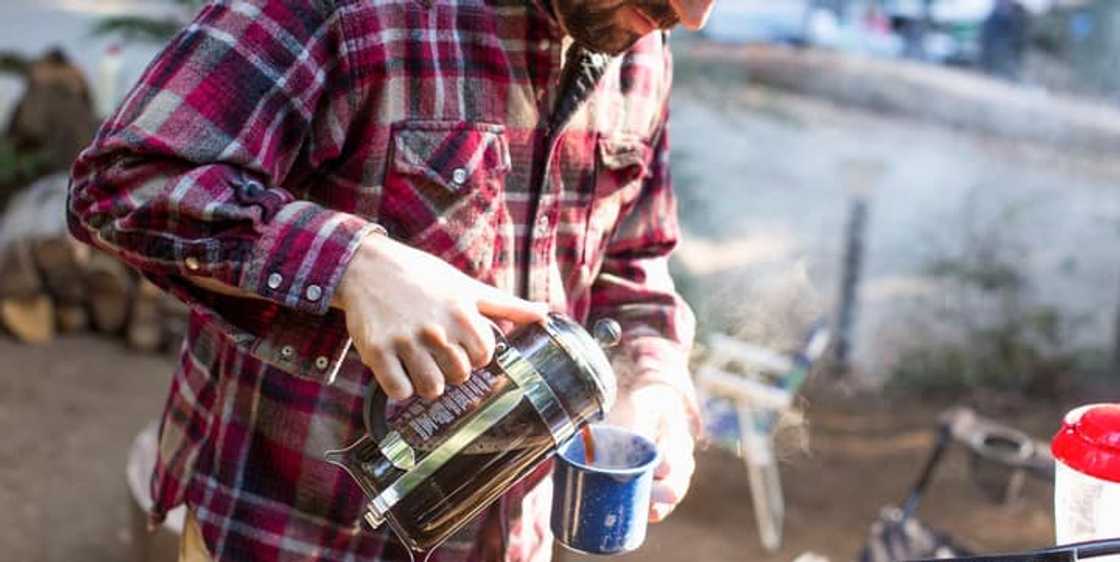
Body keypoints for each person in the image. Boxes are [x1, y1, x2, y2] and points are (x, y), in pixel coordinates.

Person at [67, 0, 713, 559]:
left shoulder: (642, 51)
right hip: (286, 539)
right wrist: (352, 264)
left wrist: (652, 382)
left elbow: (634, 261)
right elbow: (123, 181)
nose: (693, 16)